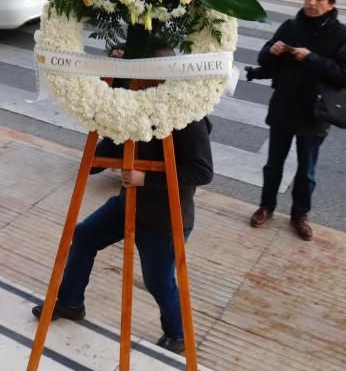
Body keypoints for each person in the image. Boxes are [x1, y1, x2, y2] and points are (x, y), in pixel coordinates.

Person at [31, 111, 214, 354]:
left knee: (158, 282)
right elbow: (102, 159)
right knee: (85, 236)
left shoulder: (188, 118)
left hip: (165, 219)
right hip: (128, 205)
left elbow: (202, 171)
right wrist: (100, 141)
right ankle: (69, 302)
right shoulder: (130, 107)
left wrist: (145, 178)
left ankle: (178, 334)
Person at [249, 0, 346, 242]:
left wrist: (311, 58)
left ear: (331, 3)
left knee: (306, 170)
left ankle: (300, 216)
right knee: (273, 164)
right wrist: (272, 51)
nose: (312, 3)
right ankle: (267, 206)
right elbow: (263, 59)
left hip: (315, 113)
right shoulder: (291, 27)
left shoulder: (343, 36)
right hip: (284, 107)